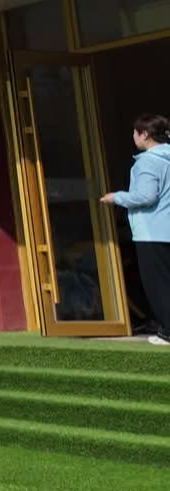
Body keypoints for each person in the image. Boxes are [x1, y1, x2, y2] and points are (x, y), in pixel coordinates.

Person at [103, 113, 170, 346]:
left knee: (158, 284)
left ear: (145, 134)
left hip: (153, 232)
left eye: (135, 132)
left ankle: (168, 332)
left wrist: (116, 197)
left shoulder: (147, 162)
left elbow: (145, 196)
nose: (133, 136)